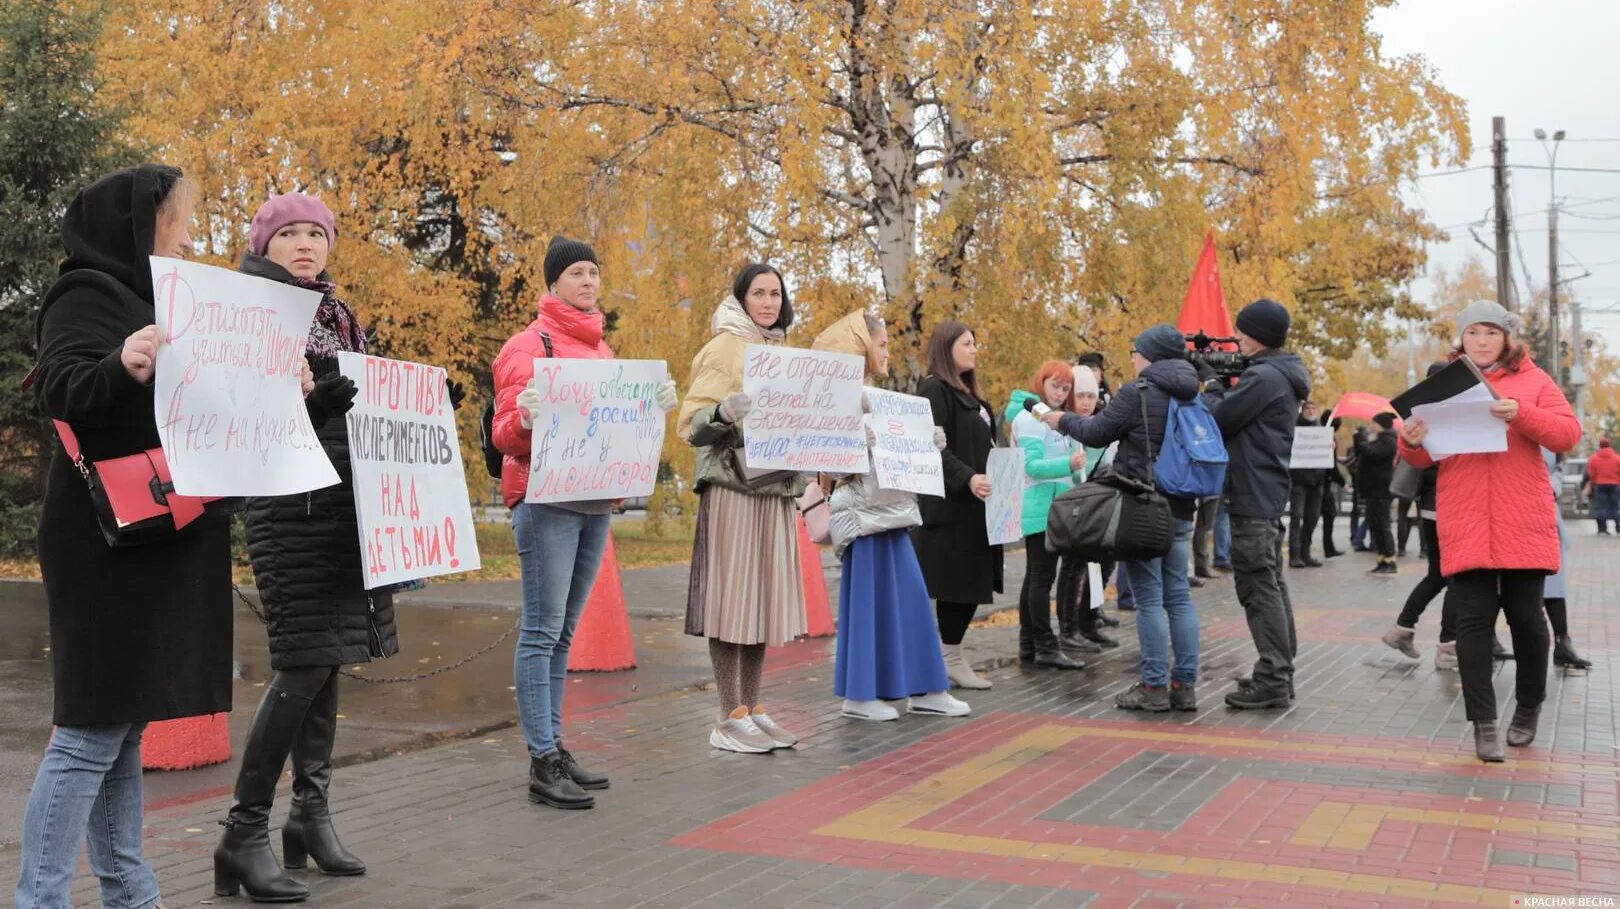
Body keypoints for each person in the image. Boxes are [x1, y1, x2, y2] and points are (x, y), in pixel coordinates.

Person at [18, 166, 233, 909]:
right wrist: (121, 363)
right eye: (177, 220)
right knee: (86, 734)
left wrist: (306, 389)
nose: (186, 235)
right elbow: (60, 386)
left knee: (120, 732)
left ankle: (129, 892)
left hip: (155, 537)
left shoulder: (165, 301)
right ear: (137, 225)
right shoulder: (87, 293)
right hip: (103, 545)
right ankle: (43, 897)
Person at [215, 193, 396, 901]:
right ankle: (243, 829)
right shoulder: (248, 312)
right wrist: (313, 404)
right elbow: (240, 411)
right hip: (286, 505)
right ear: (265, 244)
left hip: (344, 503)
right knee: (303, 661)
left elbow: (364, 400)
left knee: (330, 660)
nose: (302, 244)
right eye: (287, 233)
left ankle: (308, 817)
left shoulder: (338, 314)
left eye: (314, 233)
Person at [493, 236, 680, 805]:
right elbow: (504, 436)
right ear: (553, 283)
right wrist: (524, 417)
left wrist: (652, 409)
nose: (589, 281)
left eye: (594, 272)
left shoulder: (604, 353)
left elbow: (614, 427)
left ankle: (553, 745)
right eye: (576, 272)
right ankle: (541, 758)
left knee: (563, 633)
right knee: (542, 631)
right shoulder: (528, 346)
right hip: (546, 502)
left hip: (594, 501)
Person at [1398, 300, 1579, 762]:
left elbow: (1566, 435)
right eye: (1473, 333)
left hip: (1522, 518)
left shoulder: (1535, 381)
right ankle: (1483, 723)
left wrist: (1521, 413)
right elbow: (1426, 457)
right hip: (1467, 517)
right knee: (1473, 625)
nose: (1481, 341)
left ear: (1507, 338)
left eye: (1491, 333)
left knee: (1528, 621)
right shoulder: (1446, 386)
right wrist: (1410, 442)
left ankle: (1528, 708)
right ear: (1462, 340)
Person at [814, 311, 970, 721]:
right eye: (881, 345)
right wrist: (849, 445)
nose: (888, 352)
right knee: (868, 605)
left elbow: (898, 457)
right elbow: (825, 468)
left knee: (911, 601)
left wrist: (926, 441)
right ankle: (860, 695)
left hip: (893, 513)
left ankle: (925, 688)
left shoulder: (880, 400)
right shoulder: (837, 401)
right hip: (863, 520)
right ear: (859, 349)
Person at [679, 264, 808, 752]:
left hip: (774, 491)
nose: (769, 302)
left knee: (760, 603)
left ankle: (753, 708)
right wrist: (721, 413)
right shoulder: (724, 346)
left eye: (776, 293)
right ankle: (727, 715)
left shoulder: (786, 351)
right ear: (741, 298)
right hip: (733, 487)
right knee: (731, 602)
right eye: (759, 293)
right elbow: (691, 425)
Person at [1045, 323, 1202, 712]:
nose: (1132, 357)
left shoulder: (1140, 391)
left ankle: (1152, 687)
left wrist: (1060, 419)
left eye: (1136, 350)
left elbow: (1098, 431)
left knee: (1149, 597)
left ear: (1149, 354)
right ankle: (1185, 685)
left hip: (1145, 505)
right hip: (1183, 504)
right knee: (1178, 597)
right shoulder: (1192, 393)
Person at [1205, 299, 1311, 710]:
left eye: (1243, 332)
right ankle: (1279, 671)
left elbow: (1219, 419)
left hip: (1253, 493)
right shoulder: (1278, 373)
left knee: (1258, 587)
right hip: (1264, 491)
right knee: (1271, 584)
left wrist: (1212, 384)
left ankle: (1274, 678)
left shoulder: (1265, 378)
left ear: (1260, 336)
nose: (1238, 339)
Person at [912, 320, 1003, 690]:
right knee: (955, 586)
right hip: (951, 508)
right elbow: (933, 446)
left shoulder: (973, 396)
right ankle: (948, 659)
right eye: (968, 343)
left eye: (975, 342)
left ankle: (950, 655)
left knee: (971, 584)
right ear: (947, 347)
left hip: (979, 506)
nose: (974, 349)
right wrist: (967, 477)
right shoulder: (935, 390)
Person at [1006, 361, 1089, 670]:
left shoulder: (1049, 418)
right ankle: (1044, 645)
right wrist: (1068, 464)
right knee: (1042, 578)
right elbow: (1032, 466)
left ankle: (1030, 644)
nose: (1060, 392)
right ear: (1041, 383)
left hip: (1054, 506)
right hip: (1041, 506)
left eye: (1065, 388)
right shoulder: (1031, 419)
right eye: (1055, 385)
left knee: (1036, 578)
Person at [1382, 363, 1455, 665]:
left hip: (1430, 507)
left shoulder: (1421, 414)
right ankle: (1448, 648)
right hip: (1446, 506)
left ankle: (1403, 628)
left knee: (1440, 573)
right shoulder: (1445, 417)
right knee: (1455, 577)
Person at [1053, 365, 1115, 652]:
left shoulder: (1100, 424)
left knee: (1101, 565)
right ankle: (1068, 628)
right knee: (1072, 568)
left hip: (1097, 507)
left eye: (1092, 395)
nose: (1087, 402)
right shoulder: (1065, 428)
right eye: (1081, 395)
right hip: (1073, 508)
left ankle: (1089, 621)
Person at [1543, 451, 1591, 670]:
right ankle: (1488, 640)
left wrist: (1551, 486)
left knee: (1554, 583)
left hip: (1545, 512)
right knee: (1501, 586)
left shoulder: (1549, 431)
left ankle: (1563, 642)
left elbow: (1559, 466)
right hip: (1507, 512)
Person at [1356, 412, 1399, 575]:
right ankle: (1382, 559)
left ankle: (1390, 560)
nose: (1370, 426)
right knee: (1376, 525)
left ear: (1381, 425)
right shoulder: (1380, 439)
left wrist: (1361, 438)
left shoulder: (1388, 440)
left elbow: (1371, 453)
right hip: (1373, 490)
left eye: (1373, 423)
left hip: (1381, 490)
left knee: (1383, 525)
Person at [1288, 400, 1326, 567]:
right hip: (1299, 481)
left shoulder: (1322, 430)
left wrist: (1330, 446)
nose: (1310, 411)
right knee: (1296, 517)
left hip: (1317, 481)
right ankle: (1294, 555)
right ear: (1302, 411)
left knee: (1312, 518)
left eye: (1313, 408)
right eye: (1307, 408)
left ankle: (1306, 553)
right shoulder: (1294, 428)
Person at [1321, 417, 1347, 558]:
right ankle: (1328, 548)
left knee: (1325, 515)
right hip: (1323, 483)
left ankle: (1329, 548)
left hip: (1323, 482)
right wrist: (1343, 483)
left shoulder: (1325, 435)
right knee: (1328, 514)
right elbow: (1332, 465)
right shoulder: (1328, 437)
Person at [1584, 438, 1620, 534]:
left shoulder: (1593, 458)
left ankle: (1603, 529)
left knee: (1601, 507)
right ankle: (1618, 527)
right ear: (1609, 445)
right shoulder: (1617, 458)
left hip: (1600, 485)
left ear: (1600, 446)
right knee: (1615, 506)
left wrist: (1595, 480)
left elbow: (1590, 473)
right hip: (1614, 485)